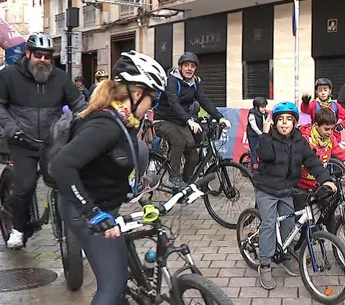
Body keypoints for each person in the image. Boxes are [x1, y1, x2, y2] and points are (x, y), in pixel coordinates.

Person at [50, 50, 166, 305]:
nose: (152, 108)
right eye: (153, 101)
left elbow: (111, 163)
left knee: (123, 267)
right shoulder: (105, 125)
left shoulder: (122, 121)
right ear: (137, 94)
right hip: (84, 209)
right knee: (112, 286)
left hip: (105, 204)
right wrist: (92, 212)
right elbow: (61, 166)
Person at [0, 32, 87, 249]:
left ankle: (76, 231)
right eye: (38, 54)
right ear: (28, 53)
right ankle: (18, 228)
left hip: (53, 142)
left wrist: (91, 119)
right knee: (25, 186)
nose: (43, 60)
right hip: (22, 141)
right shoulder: (9, 76)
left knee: (67, 179)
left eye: (47, 56)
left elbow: (79, 105)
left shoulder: (61, 78)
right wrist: (11, 127)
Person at [254, 101, 337, 290]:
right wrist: (265, 133)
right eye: (280, 120)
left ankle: (285, 255)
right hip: (266, 189)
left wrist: (325, 179)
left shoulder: (300, 141)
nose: (284, 123)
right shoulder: (269, 138)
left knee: (290, 223)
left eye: (289, 120)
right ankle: (265, 265)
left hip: (286, 190)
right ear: (274, 122)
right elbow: (264, 155)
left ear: (295, 123)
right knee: (269, 223)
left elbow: (313, 162)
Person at [153, 52, 231, 189]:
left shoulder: (193, 84)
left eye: (192, 66)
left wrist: (220, 117)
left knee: (193, 154)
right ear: (180, 67)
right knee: (179, 140)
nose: (189, 68)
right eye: (186, 65)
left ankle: (186, 182)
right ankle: (173, 177)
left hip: (180, 122)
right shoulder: (172, 81)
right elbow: (174, 103)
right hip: (162, 120)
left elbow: (204, 101)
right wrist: (189, 120)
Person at [296, 107, 345, 231]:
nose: (330, 132)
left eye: (332, 129)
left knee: (329, 213)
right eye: (326, 129)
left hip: (319, 183)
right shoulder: (305, 139)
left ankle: (335, 243)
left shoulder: (331, 139)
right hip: (301, 185)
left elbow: (343, 152)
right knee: (302, 223)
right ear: (316, 125)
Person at [301, 78, 345, 142]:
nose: (323, 93)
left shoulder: (335, 105)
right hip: (316, 137)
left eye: (325, 90)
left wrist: (342, 125)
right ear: (316, 92)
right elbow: (305, 110)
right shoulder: (314, 104)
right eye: (320, 90)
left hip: (332, 137)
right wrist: (305, 103)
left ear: (330, 91)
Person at [246, 96, 268, 169]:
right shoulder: (252, 114)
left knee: (263, 150)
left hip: (261, 134)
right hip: (253, 135)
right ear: (256, 107)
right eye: (262, 107)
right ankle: (254, 164)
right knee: (254, 149)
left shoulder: (265, 114)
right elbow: (253, 126)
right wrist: (260, 133)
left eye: (265, 106)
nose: (264, 108)